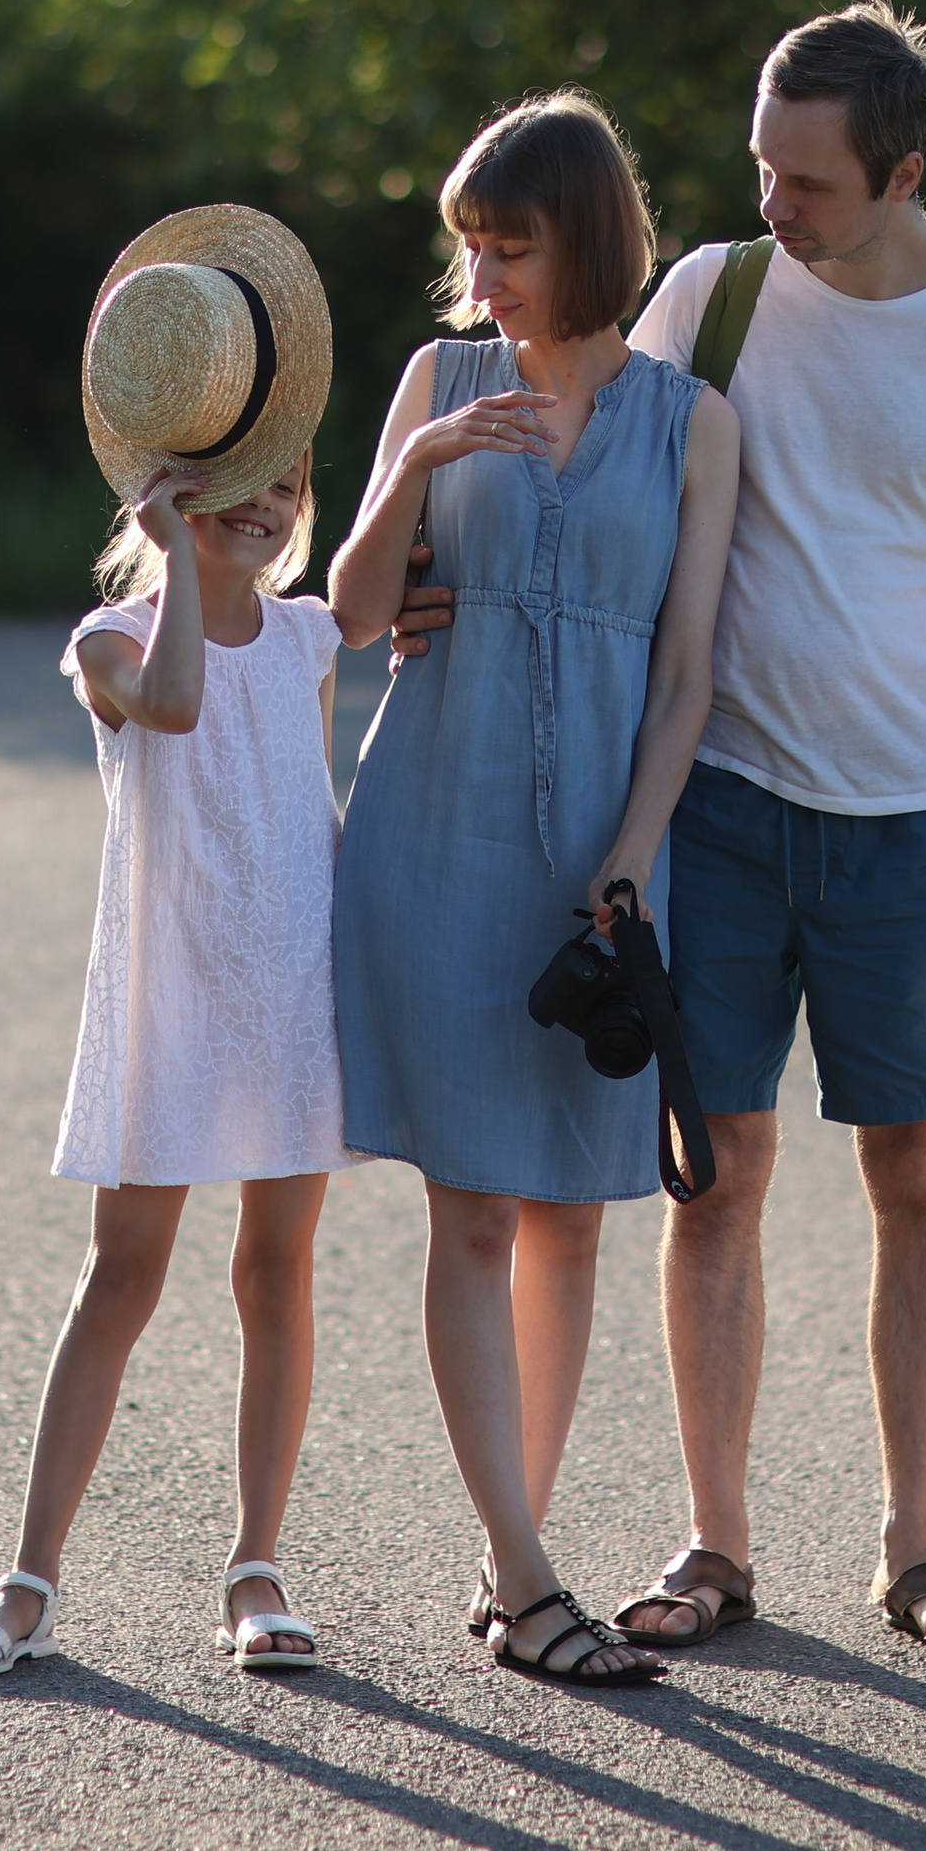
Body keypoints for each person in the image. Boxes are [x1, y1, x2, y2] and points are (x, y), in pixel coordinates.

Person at [396, 0, 926, 1654]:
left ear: (901, 173)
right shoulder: (717, 291)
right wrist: (425, 568)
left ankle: (916, 1551)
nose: (772, 200)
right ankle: (717, 1546)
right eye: (762, 165)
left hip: (912, 818)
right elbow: (574, 452)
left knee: (917, 1175)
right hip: (712, 808)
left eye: (809, 180)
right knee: (717, 1177)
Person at [329, 91, 740, 1690]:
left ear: (589, 239)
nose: (485, 277)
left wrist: (635, 847)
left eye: (512, 247)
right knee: (474, 1208)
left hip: (602, 857)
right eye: (473, 249)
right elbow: (354, 610)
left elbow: (688, 671)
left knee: (570, 1211)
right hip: (435, 831)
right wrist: (417, 464)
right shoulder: (439, 381)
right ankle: (525, 1574)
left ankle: (521, 1553)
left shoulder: (694, 422)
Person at [0, 208, 348, 1677]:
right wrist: (174, 563)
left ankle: (257, 1567)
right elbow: (173, 707)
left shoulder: (309, 640)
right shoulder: (113, 637)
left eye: (286, 480)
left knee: (276, 1271)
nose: (267, 505)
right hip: (169, 998)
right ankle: (27, 1583)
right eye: (237, 481)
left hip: (286, 991)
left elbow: (306, 816)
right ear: (172, 488)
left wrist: (415, 459)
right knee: (121, 1276)